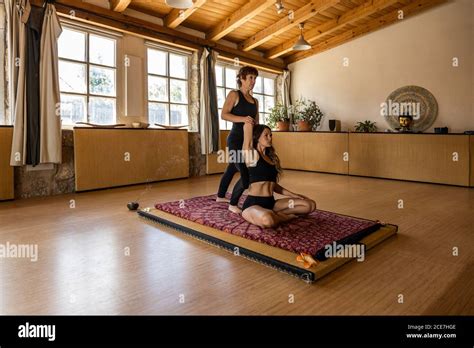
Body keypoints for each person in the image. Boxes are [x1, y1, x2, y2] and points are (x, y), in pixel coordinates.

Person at [240, 123, 317, 228]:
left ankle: (276, 215)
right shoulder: (252, 156)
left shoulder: (270, 159)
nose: (270, 138)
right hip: (253, 205)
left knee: (309, 205)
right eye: (266, 135)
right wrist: (248, 122)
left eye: (271, 135)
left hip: (272, 204)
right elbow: (247, 140)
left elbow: (273, 185)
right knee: (268, 220)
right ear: (257, 137)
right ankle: (284, 217)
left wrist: (292, 195)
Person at [216, 66, 259, 213]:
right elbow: (224, 115)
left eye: (255, 78)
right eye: (250, 78)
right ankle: (233, 204)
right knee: (245, 174)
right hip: (234, 140)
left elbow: (256, 123)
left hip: (248, 141)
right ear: (242, 78)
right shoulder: (234, 94)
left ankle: (221, 196)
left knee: (232, 168)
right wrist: (243, 119)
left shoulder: (255, 101)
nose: (253, 81)